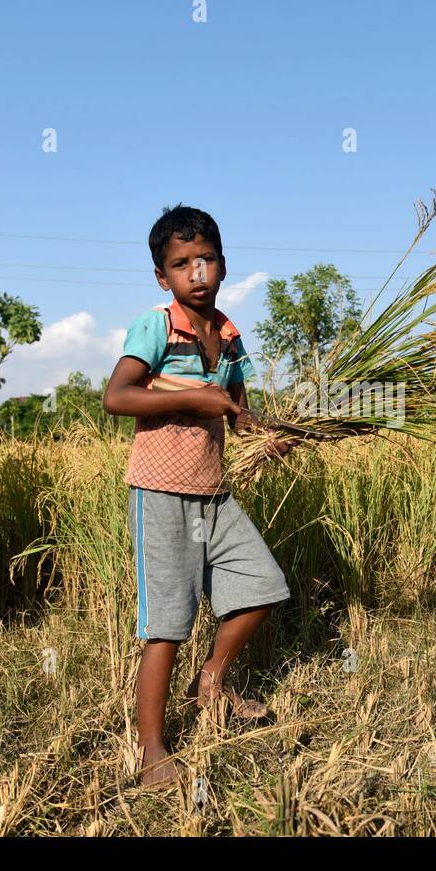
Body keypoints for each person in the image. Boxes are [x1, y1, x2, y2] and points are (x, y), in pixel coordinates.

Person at [103, 205, 291, 788]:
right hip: (161, 493)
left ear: (223, 264)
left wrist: (266, 434)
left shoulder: (228, 335)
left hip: (215, 493)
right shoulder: (155, 327)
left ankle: (211, 678)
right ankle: (153, 749)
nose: (197, 272)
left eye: (206, 259)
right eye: (182, 264)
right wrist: (192, 401)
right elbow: (117, 397)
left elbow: (236, 411)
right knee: (167, 624)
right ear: (164, 277)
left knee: (263, 586)